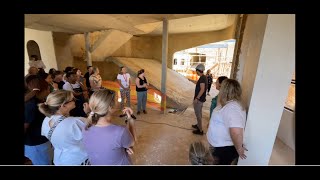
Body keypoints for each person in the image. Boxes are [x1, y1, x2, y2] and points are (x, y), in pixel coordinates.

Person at [82, 89, 136, 165]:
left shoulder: (86, 126)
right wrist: (130, 119)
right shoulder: (120, 131)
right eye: (118, 98)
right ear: (110, 107)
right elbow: (131, 143)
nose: (119, 101)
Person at [39, 90, 89, 165]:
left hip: (59, 159)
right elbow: (97, 131)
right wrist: (89, 113)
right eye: (73, 99)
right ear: (63, 105)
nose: (75, 100)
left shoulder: (46, 120)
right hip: (78, 160)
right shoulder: (74, 123)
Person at [206, 79, 247, 165]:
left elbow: (236, 131)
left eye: (222, 87)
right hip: (220, 147)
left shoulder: (232, 107)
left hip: (223, 149)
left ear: (225, 90)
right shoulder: (228, 104)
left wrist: (239, 149)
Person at [25, 75, 52, 165]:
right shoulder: (31, 105)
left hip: (42, 141)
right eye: (47, 90)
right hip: (36, 144)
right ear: (41, 90)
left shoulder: (39, 102)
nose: (48, 92)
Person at [192, 64, 208, 135]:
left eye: (196, 71)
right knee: (198, 114)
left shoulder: (202, 78)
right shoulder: (203, 77)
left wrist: (197, 98)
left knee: (198, 114)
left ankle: (200, 130)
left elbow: (202, 89)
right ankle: (198, 125)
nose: (196, 72)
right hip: (200, 99)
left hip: (199, 99)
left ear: (198, 70)